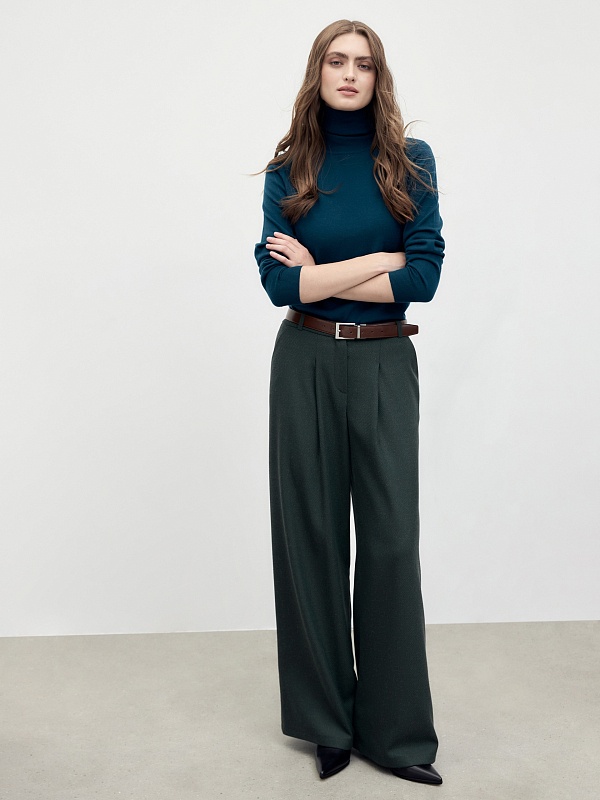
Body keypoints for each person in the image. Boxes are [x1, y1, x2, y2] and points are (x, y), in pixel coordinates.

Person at [254, 19, 445, 786]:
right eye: (337, 60)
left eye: (363, 64)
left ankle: (396, 734)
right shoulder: (289, 168)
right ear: (318, 70)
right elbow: (279, 284)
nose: (349, 73)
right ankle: (326, 723)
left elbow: (423, 278)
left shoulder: (411, 162)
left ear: (377, 77)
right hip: (303, 359)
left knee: (392, 542)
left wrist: (323, 270)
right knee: (311, 538)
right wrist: (378, 259)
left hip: (385, 360)